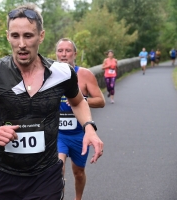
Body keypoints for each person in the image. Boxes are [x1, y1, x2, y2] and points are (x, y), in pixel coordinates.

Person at [0, 4, 103, 200]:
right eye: (15, 36)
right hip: (7, 176)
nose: (21, 44)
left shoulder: (62, 73)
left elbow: (77, 102)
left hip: (47, 175)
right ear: (8, 36)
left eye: (28, 36)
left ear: (41, 36)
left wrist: (89, 127)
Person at [56, 38, 105, 200]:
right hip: (58, 134)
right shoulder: (48, 74)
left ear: (74, 54)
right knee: (58, 169)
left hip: (79, 134)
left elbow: (100, 100)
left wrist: (81, 100)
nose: (64, 54)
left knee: (78, 173)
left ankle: (78, 198)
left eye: (67, 51)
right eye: (60, 51)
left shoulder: (84, 74)